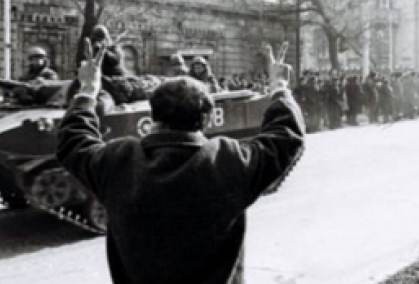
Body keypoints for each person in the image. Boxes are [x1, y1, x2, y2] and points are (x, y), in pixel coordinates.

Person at [56, 40, 305, 284]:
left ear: (153, 116)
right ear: (206, 120)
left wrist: (88, 89)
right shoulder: (227, 159)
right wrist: (280, 86)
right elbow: (286, 137)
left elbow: (74, 141)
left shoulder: (120, 160)